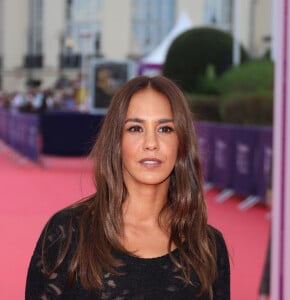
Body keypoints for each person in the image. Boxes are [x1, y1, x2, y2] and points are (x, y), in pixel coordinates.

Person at [25, 75, 230, 299]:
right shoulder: (67, 234)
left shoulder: (208, 246)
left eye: (165, 129)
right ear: (117, 141)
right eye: (135, 128)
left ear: (181, 143)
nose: (151, 143)